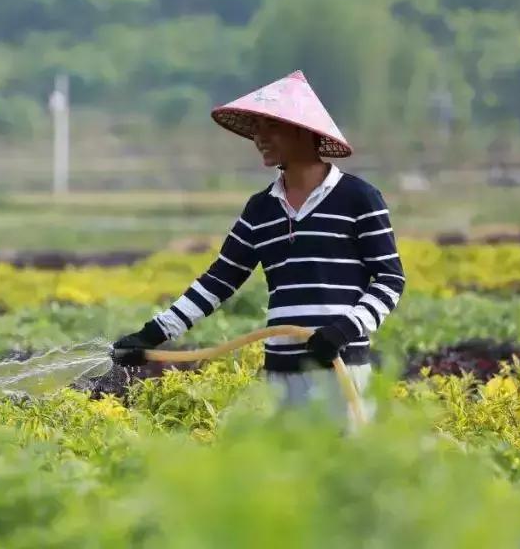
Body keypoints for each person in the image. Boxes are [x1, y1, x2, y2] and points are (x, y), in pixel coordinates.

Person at [112, 71, 406, 422]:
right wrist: (152, 334)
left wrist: (347, 327)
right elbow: (218, 281)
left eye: (270, 128)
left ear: (303, 130)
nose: (259, 139)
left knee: (346, 470)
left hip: (341, 369)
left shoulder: (359, 198)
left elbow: (390, 279)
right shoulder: (260, 208)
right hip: (282, 374)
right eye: (256, 130)